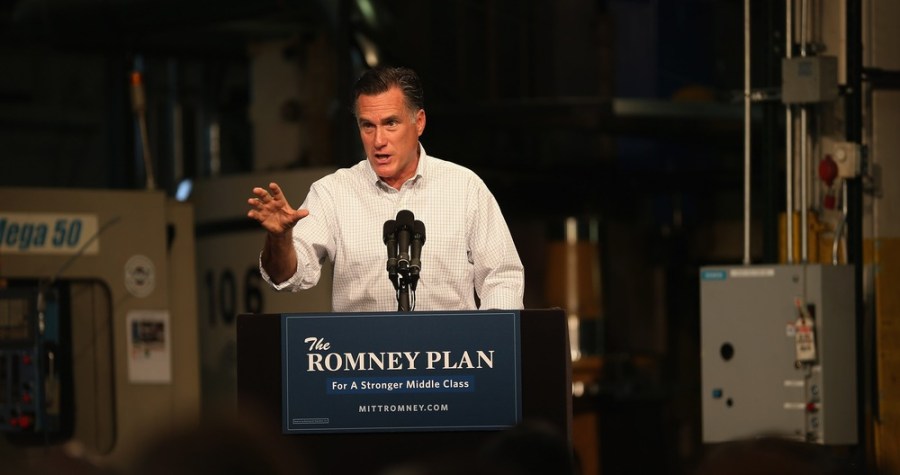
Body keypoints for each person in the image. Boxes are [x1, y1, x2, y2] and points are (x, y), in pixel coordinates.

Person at [247, 66, 524, 312]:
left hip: (450, 364)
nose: (378, 140)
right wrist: (280, 239)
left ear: (419, 122)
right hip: (362, 364)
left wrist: (492, 350)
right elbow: (288, 278)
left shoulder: (464, 188)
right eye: (368, 126)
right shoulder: (332, 193)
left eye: (391, 123)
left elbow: (502, 278)